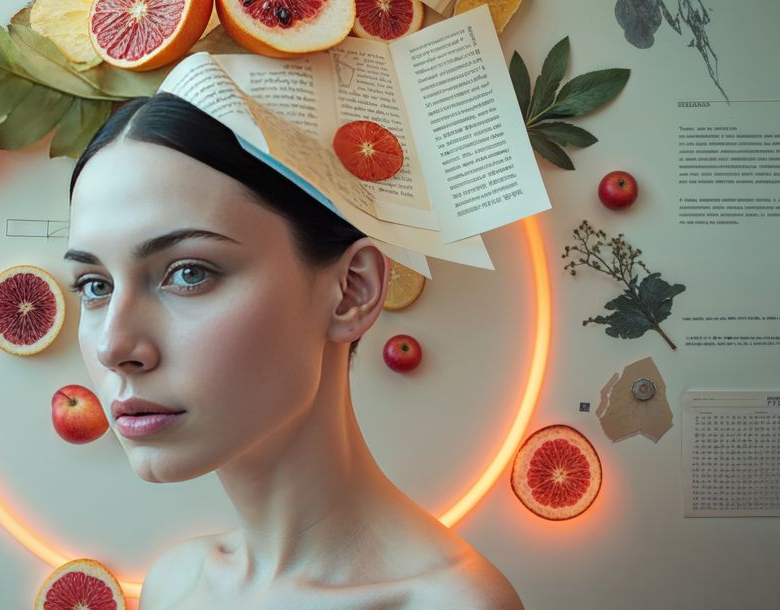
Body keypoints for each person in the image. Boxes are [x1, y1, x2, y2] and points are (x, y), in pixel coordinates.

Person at [62, 92, 524, 610]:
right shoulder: (173, 584)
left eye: (189, 273)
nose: (114, 347)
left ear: (352, 290)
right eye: (94, 286)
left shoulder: (450, 605)